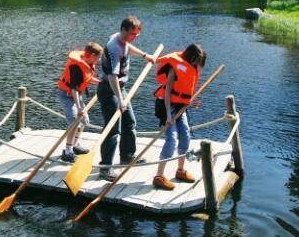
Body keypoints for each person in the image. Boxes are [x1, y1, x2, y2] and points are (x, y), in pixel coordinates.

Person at [96, 16, 157, 181]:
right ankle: (105, 168)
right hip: (110, 90)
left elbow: (128, 47)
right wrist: (120, 99)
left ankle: (127, 156)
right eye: (132, 34)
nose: (134, 37)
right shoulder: (114, 47)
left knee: (129, 122)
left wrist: (145, 55)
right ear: (123, 30)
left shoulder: (120, 38)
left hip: (119, 89)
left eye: (137, 35)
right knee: (112, 129)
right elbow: (112, 76)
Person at [152, 43, 207, 190]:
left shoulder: (191, 68)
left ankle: (180, 170)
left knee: (186, 134)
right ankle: (158, 177)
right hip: (166, 104)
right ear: (191, 57)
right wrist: (168, 116)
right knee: (172, 138)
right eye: (198, 60)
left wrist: (191, 100)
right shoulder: (175, 66)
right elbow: (168, 92)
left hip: (180, 106)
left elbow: (185, 89)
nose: (199, 65)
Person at [57, 43, 103, 163]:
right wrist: (79, 108)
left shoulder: (87, 63)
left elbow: (87, 78)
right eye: (98, 58)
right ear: (92, 55)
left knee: (84, 121)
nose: (98, 61)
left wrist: (101, 82)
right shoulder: (76, 67)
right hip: (67, 96)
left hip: (76, 95)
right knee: (74, 122)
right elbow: (74, 89)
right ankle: (67, 152)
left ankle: (75, 144)